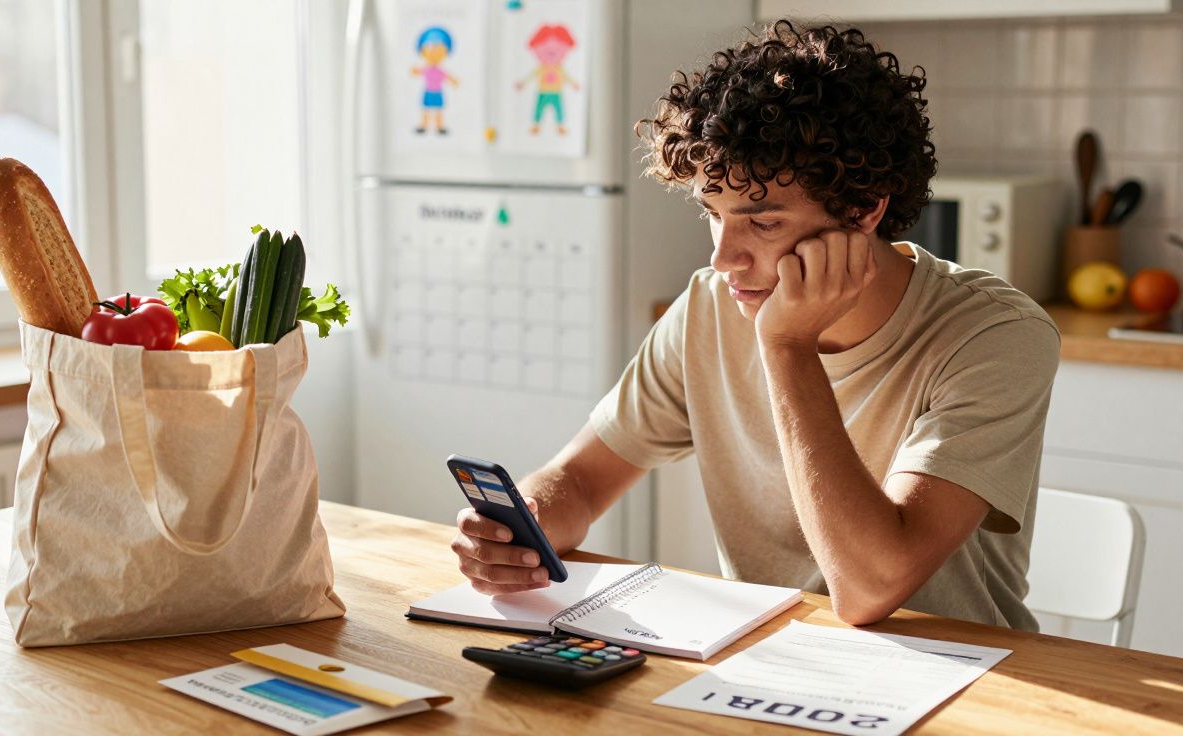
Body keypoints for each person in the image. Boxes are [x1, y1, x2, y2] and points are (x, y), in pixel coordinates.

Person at [451, 20, 1060, 630]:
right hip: (761, 664)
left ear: (865, 208)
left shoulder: (996, 336)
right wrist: (523, 529)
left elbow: (871, 588)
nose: (723, 258)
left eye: (763, 223)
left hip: (963, 682)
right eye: (714, 215)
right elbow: (580, 481)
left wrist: (787, 344)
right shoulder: (708, 307)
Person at [515, 24, 580, 136]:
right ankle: (536, 125)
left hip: (556, 92)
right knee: (539, 109)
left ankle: (560, 126)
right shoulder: (541, 68)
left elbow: (567, 77)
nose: (551, 50)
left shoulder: (559, 69)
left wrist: (574, 84)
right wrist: (523, 83)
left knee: (559, 109)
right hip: (543, 91)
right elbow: (532, 75)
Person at [412, 26, 459, 135]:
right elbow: (418, 71)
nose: (433, 52)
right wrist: (414, 71)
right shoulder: (426, 69)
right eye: (429, 49)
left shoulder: (440, 71)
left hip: (438, 92)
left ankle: (440, 127)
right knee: (426, 110)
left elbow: (448, 77)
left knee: (438, 111)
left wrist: (454, 81)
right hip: (428, 92)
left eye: (439, 49)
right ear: (422, 52)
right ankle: (424, 126)